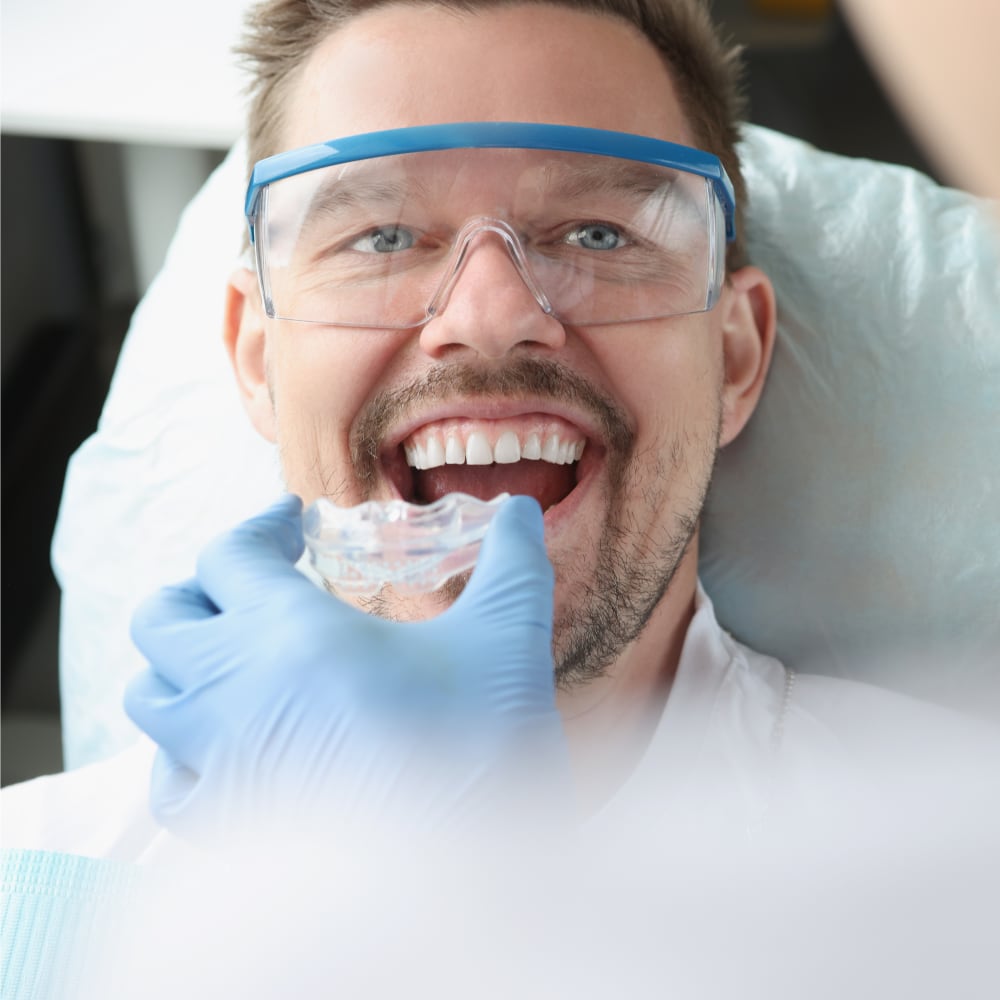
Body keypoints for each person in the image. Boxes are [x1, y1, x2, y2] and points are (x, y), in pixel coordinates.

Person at [3, 0, 995, 857]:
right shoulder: (43, 880)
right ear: (257, 361)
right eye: (383, 235)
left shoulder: (955, 860)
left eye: (599, 234)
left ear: (734, 356)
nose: (487, 314)